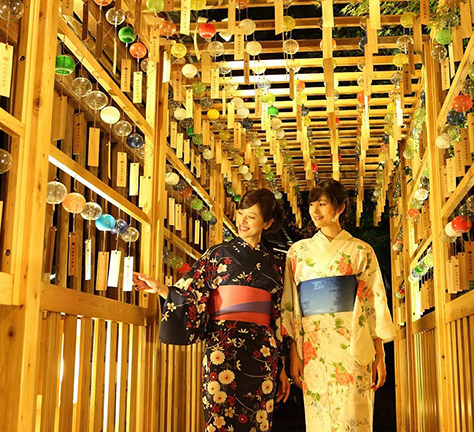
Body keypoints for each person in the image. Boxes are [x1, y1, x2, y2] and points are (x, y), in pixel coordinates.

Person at [134, 189, 291, 432]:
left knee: (258, 419)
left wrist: (281, 365)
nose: (242, 222)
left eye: (251, 216)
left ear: (268, 223)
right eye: (240, 214)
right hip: (223, 346)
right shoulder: (218, 255)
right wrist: (164, 289)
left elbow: (278, 316)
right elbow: (191, 291)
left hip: (262, 351)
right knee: (220, 416)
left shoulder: (276, 265)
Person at [281, 179, 396, 431]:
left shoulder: (360, 250)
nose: (315, 210)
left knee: (353, 416)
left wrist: (380, 352)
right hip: (313, 345)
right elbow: (290, 305)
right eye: (312, 204)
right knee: (319, 415)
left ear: (340, 207)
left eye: (322, 203)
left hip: (353, 341)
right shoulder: (298, 252)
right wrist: (294, 354)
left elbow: (373, 300)